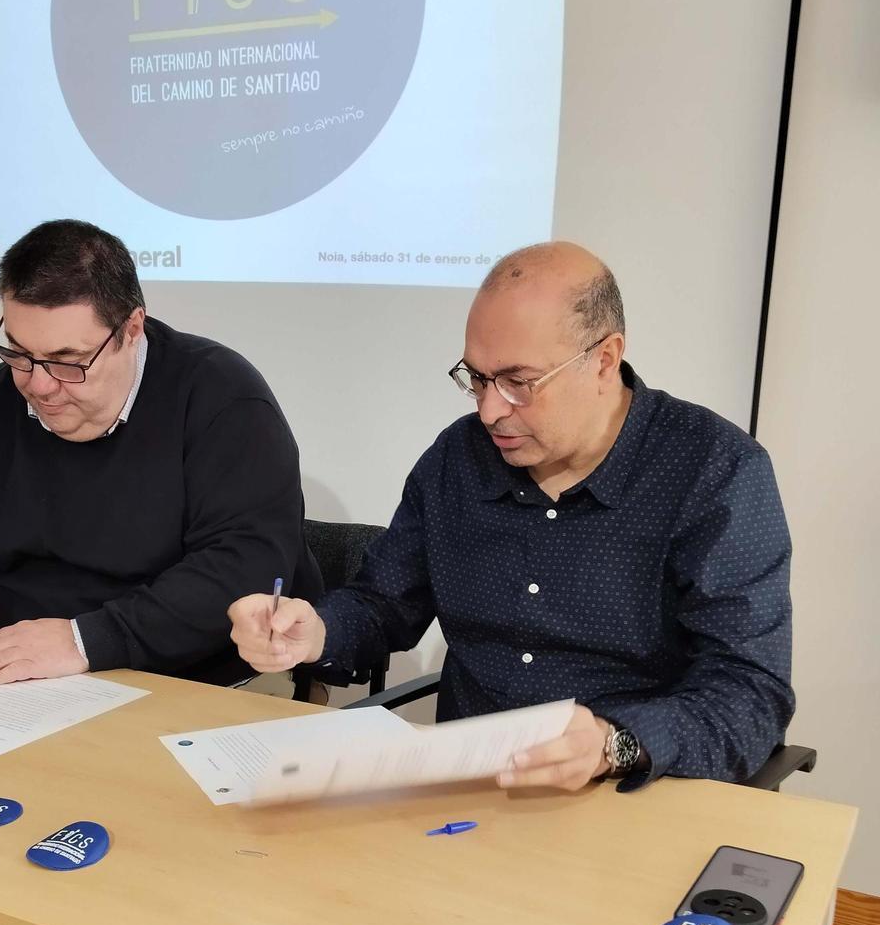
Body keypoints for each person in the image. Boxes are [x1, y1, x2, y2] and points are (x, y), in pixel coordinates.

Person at [229, 242, 795, 791]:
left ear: (604, 359)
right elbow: (384, 604)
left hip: (635, 792)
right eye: (476, 378)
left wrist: (611, 744)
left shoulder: (713, 472)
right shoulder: (458, 460)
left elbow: (750, 694)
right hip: (470, 793)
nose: (490, 408)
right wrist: (314, 630)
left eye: (519, 382)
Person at [0, 218, 318, 686]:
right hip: (11, 680)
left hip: (185, 679)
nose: (39, 385)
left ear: (132, 328)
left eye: (68, 362)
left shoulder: (223, 401)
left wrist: (86, 640)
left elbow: (241, 570)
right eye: (18, 352)